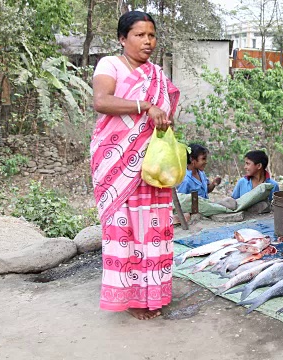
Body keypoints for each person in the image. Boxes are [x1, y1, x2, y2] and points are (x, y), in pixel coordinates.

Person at [91, 11, 179, 320]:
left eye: (151, 35)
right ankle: (130, 298)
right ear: (122, 38)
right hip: (117, 164)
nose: (147, 41)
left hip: (151, 165)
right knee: (124, 229)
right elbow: (102, 101)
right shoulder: (110, 65)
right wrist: (146, 106)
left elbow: (166, 111)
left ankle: (152, 292)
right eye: (140, 35)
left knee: (152, 227)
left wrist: (163, 119)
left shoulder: (156, 73)